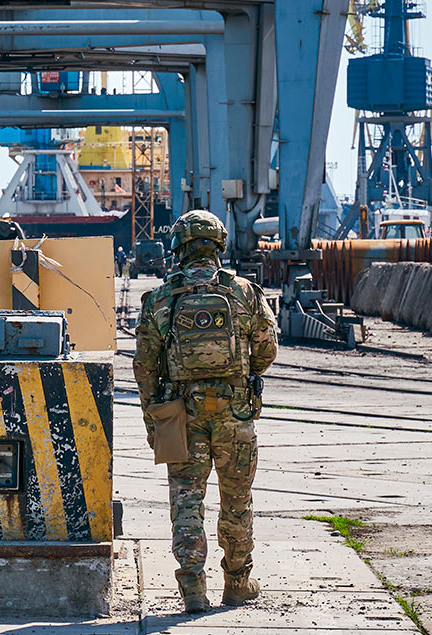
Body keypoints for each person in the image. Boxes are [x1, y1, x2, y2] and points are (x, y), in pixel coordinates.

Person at [132, 210, 278, 613]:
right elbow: (266, 349)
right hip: (235, 414)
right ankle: (237, 583)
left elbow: (144, 365)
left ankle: (193, 590)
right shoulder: (244, 292)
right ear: (219, 245)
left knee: (186, 500)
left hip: (182, 414)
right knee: (237, 501)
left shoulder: (162, 297)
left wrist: (153, 418)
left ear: (178, 248)